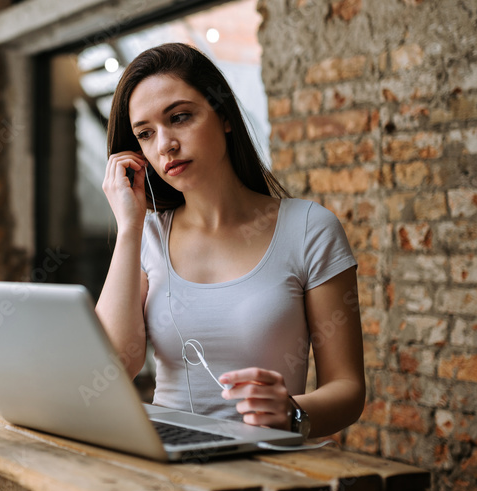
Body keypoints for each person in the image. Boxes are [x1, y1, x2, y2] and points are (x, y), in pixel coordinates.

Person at [95, 42, 365, 439]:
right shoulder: (147, 236)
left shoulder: (309, 228)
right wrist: (129, 226)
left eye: (180, 117)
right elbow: (112, 369)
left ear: (223, 116)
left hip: (267, 468)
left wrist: (291, 412)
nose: (165, 144)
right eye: (146, 134)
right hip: (165, 463)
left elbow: (348, 390)